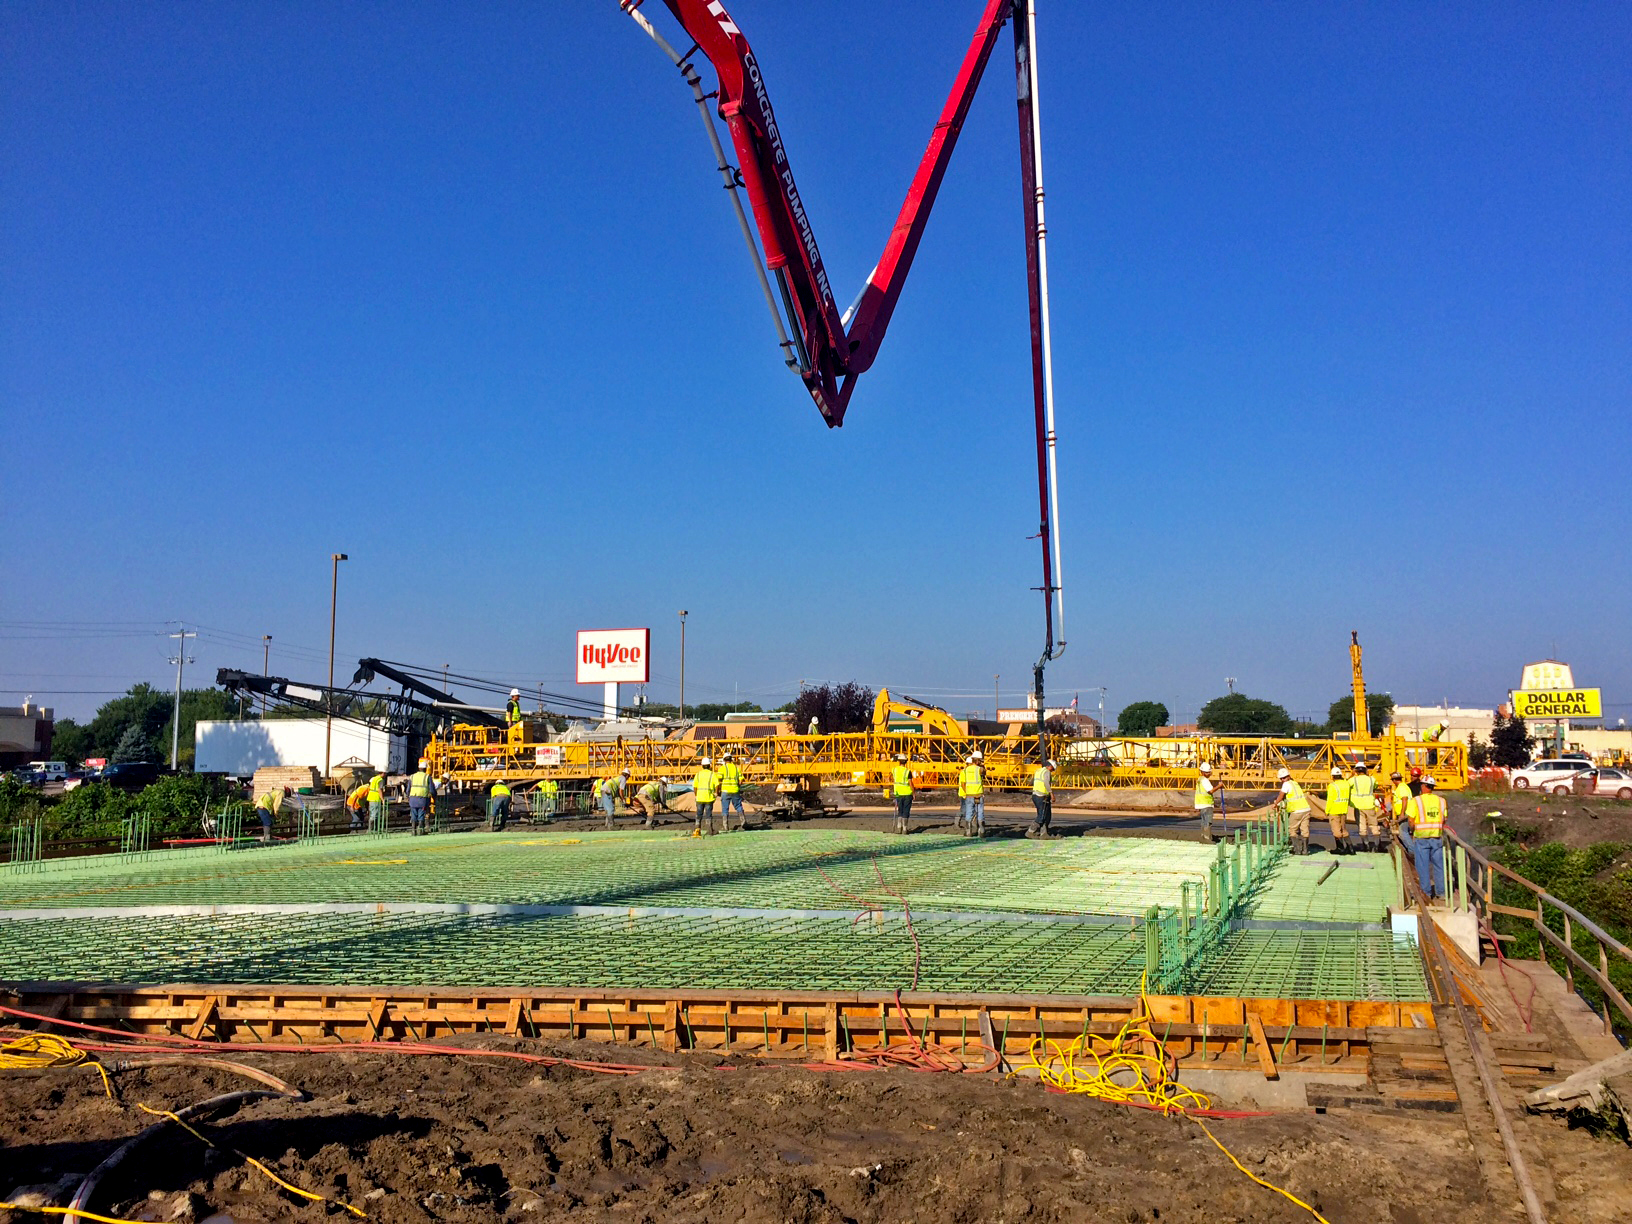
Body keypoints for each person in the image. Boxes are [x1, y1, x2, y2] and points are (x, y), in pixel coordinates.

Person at [1410, 776, 1448, 900]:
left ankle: (1426, 893)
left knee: (1423, 865)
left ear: (1423, 786)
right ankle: (1441, 892)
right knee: (1439, 865)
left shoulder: (1416, 801)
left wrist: (1412, 831)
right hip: (1436, 837)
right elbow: (1444, 819)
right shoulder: (1442, 801)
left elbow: (1411, 820)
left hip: (1421, 838)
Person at [1277, 768, 1312, 854]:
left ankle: (1297, 849)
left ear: (1286, 777)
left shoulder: (1286, 784)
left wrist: (1275, 804)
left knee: (1292, 830)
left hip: (1297, 810)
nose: (1282, 780)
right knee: (1305, 830)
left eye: (1282, 778)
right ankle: (1305, 850)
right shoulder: (1295, 783)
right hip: (1306, 809)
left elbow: (1281, 796)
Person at [1350, 762, 1381, 852]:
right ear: (1365, 770)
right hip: (1370, 805)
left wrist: (1352, 775)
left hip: (1358, 806)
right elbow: (1375, 787)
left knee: (1362, 827)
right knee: (1374, 826)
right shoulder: (1372, 779)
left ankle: (1366, 846)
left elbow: (1346, 785)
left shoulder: (1353, 780)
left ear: (1356, 770)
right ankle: (1376, 846)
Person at [1325, 766, 1353, 855]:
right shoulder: (1346, 784)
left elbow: (1330, 799)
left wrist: (1327, 810)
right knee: (1343, 829)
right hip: (1343, 809)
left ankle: (1340, 848)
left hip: (1334, 810)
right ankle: (1350, 849)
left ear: (1332, 776)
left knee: (1336, 830)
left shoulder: (1332, 786)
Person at [957, 753, 985, 838]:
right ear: (978, 760)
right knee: (980, 812)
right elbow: (984, 772)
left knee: (969, 812)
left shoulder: (965, 771)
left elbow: (963, 784)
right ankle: (982, 831)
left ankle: (968, 832)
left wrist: (967, 792)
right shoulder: (979, 769)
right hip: (978, 794)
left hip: (969, 795)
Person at [1028, 758, 1056, 839]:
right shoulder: (1047, 772)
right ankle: (1030, 831)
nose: (1053, 771)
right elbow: (1046, 783)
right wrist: (1051, 794)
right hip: (1042, 796)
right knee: (1042, 816)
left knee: (1046, 815)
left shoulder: (1038, 771)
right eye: (1053, 769)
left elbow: (1033, 782)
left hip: (1036, 795)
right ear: (1050, 766)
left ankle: (1044, 834)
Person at [1193, 762, 1220, 843]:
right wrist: (1219, 786)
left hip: (1201, 804)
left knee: (1204, 821)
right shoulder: (1205, 780)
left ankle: (1203, 837)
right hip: (1206, 804)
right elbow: (1211, 791)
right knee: (1208, 822)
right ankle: (1207, 839)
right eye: (1208, 772)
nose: (1210, 773)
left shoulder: (1199, 779)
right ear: (1204, 772)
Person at [718, 752, 746, 830]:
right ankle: (743, 822)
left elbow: (719, 778)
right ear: (731, 759)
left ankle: (725, 826)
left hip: (725, 791)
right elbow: (741, 781)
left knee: (725, 808)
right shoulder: (736, 769)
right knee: (738, 806)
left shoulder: (722, 768)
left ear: (724, 760)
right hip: (735, 790)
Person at [407, 762, 436, 835]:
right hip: (422, 799)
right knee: (421, 814)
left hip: (413, 799)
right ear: (425, 769)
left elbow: (408, 790)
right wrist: (434, 797)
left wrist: (408, 797)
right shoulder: (427, 777)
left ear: (419, 768)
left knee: (413, 814)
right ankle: (420, 830)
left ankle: (413, 830)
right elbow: (432, 790)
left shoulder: (412, 776)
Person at [693, 757, 719, 833]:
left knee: (699, 814)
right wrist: (716, 793)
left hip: (700, 798)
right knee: (708, 814)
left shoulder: (698, 775)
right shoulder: (712, 774)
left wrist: (696, 795)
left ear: (702, 765)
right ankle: (709, 829)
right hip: (709, 798)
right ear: (709, 765)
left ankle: (697, 829)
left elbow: (695, 787)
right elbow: (717, 785)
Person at [1390, 771, 1414, 852]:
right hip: (1407, 812)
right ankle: (1411, 850)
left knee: (1403, 832)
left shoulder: (1401, 787)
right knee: (1404, 832)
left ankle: (1412, 851)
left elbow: (1404, 799)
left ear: (1394, 780)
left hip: (1406, 813)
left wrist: (1402, 813)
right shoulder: (1403, 787)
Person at [890, 754, 914, 834]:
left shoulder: (894, 770)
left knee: (900, 810)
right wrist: (913, 793)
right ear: (906, 761)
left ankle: (899, 827)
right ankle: (904, 829)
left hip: (898, 793)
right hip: (907, 793)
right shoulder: (907, 771)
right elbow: (911, 783)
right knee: (906, 811)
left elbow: (892, 779)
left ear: (899, 761)